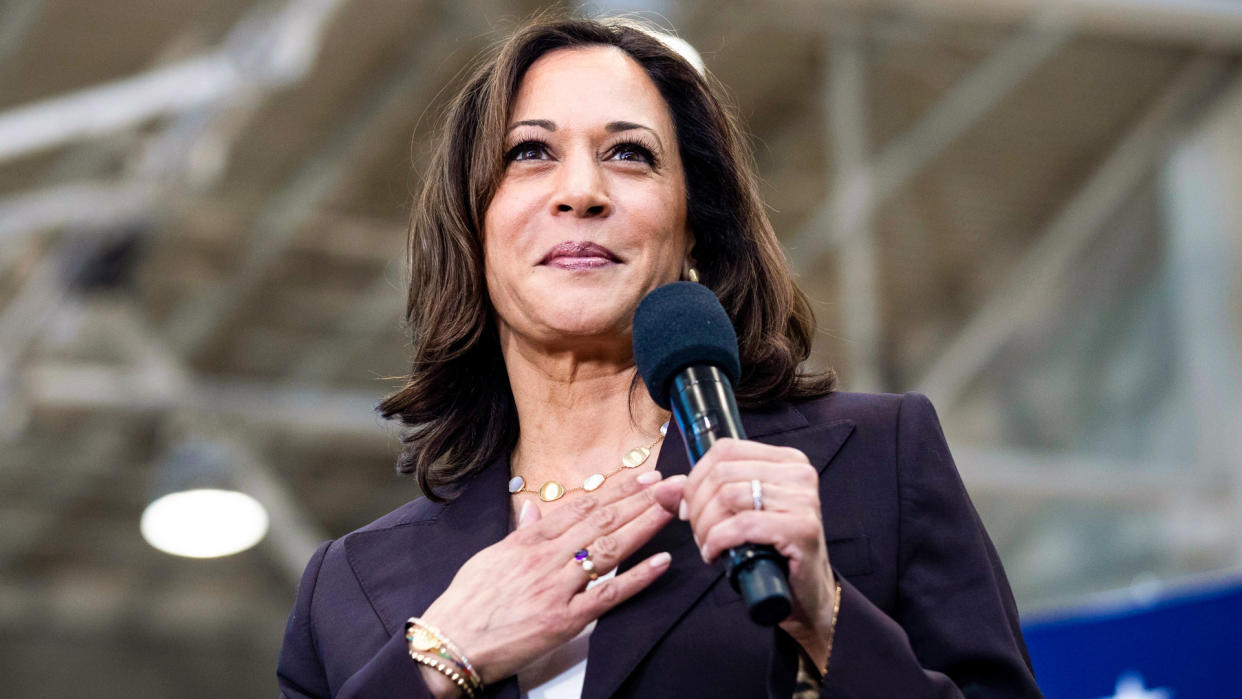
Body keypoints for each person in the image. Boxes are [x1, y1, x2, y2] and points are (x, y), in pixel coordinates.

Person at [278, 15, 1042, 699]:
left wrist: (826, 615)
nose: (581, 190)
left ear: (692, 228)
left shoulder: (873, 461)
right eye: (531, 152)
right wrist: (440, 659)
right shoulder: (347, 587)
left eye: (630, 155)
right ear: (472, 231)